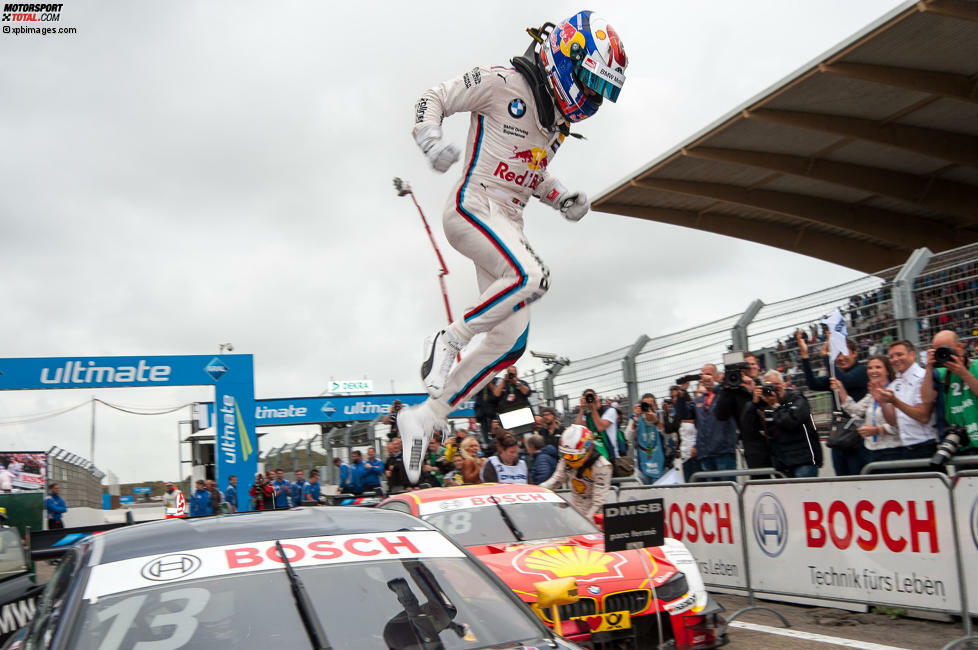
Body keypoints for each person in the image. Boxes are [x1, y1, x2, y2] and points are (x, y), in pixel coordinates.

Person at [397, 10, 629, 483]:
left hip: (510, 226)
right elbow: (433, 96)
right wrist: (429, 138)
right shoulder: (503, 82)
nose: (589, 98)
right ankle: (449, 339)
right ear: (566, 56)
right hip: (471, 206)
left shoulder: (556, 124)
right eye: (588, 82)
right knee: (533, 276)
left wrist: (559, 194)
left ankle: (426, 415)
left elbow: (529, 168)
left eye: (598, 92)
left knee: (512, 340)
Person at [797, 330, 868, 475]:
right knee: (842, 483)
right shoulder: (835, 375)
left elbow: (844, 381)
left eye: (843, 353)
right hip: (839, 439)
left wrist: (826, 356)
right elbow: (813, 384)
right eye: (837, 355)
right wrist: (805, 356)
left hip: (858, 439)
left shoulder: (862, 371)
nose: (840, 358)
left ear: (854, 353)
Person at [741, 371, 821, 478]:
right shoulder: (765, 405)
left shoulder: (796, 399)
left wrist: (775, 405)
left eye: (776, 384)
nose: (773, 388)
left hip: (803, 461)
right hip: (781, 464)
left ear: (784, 384)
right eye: (769, 385)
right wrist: (754, 403)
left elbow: (790, 421)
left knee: (804, 494)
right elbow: (748, 426)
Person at [874, 340, 938, 462]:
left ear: (912, 354)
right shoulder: (896, 383)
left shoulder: (923, 377)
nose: (895, 359)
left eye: (899, 354)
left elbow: (923, 416)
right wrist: (882, 402)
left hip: (925, 445)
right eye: (891, 356)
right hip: (906, 447)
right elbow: (892, 421)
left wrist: (895, 401)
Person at [832, 355, 903, 463]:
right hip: (871, 451)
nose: (873, 371)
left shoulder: (895, 391)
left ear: (887, 371)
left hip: (893, 451)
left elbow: (900, 424)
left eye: (878, 367)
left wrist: (876, 430)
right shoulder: (871, 394)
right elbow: (855, 411)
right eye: (870, 368)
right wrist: (840, 389)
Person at [921, 330, 978, 457]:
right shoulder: (941, 374)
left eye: (945, 349)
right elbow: (926, 398)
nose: (943, 354)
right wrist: (929, 367)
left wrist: (963, 373)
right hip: (959, 442)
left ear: (960, 347)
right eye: (937, 351)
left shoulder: (976, 366)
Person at [541, 425, 612, 518]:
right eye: (566, 455)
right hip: (575, 511)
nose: (569, 460)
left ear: (588, 449)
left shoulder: (602, 467)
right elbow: (556, 480)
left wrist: (586, 524)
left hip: (593, 515)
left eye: (573, 456)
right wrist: (537, 490)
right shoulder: (566, 460)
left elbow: (599, 503)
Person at [715, 353, 771, 469]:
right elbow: (721, 415)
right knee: (760, 483)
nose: (751, 367)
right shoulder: (733, 392)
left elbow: (772, 408)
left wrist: (754, 390)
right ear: (741, 369)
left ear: (758, 366)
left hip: (775, 444)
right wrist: (726, 389)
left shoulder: (766, 385)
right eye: (747, 365)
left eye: (753, 364)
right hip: (754, 449)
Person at [689, 365, 738, 479]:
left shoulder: (725, 394)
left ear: (716, 376)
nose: (706, 378)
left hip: (723, 452)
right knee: (713, 493)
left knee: (728, 490)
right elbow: (683, 415)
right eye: (703, 375)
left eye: (709, 374)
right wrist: (682, 392)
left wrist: (716, 386)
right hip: (705, 454)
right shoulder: (698, 400)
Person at [576, 389, 625, 463]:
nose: (590, 399)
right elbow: (578, 429)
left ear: (596, 397)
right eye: (587, 398)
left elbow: (600, 427)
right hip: (593, 455)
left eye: (591, 396)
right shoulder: (587, 413)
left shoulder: (610, 411)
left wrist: (592, 408)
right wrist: (582, 408)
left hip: (610, 455)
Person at [631, 393, 667, 484]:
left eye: (650, 405)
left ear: (655, 405)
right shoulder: (637, 418)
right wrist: (635, 419)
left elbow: (667, 436)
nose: (648, 408)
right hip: (643, 466)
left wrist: (656, 421)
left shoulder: (660, 416)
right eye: (645, 405)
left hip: (661, 465)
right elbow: (628, 437)